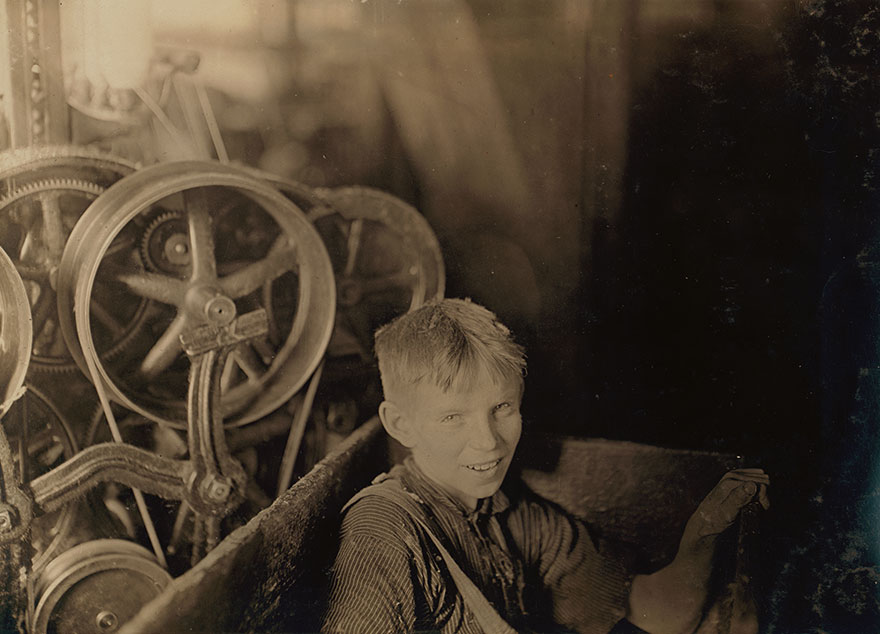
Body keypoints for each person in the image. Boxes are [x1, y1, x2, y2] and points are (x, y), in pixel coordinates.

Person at [322, 298, 769, 634]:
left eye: (501, 408)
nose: (488, 441)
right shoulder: (384, 528)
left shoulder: (513, 518)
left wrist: (705, 529)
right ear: (401, 424)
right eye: (452, 417)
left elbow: (656, 608)